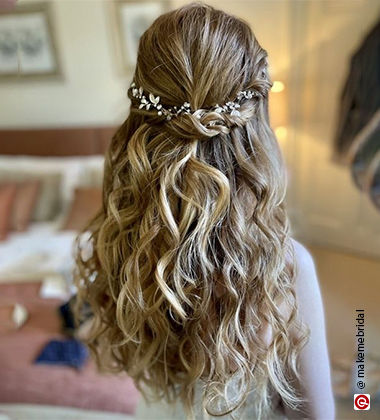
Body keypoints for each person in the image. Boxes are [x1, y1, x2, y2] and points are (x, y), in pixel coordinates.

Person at [74, 3, 335, 419]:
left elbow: (108, 344)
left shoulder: (115, 242)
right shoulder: (284, 267)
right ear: (256, 130)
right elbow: (318, 415)